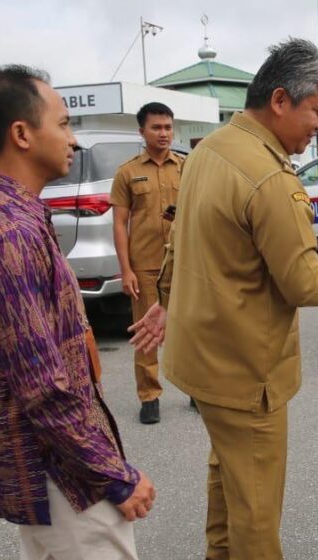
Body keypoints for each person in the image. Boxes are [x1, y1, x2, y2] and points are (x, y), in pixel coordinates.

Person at [130, 38, 318, 560]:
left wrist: (166, 301)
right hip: (245, 368)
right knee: (256, 504)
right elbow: (304, 283)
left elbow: (177, 243)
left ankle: (218, 559)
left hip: (205, 362)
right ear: (280, 100)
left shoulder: (210, 149)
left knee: (228, 472)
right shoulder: (269, 178)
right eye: (317, 112)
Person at [0, 65, 154, 560]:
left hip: (45, 468)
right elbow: (42, 386)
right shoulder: (10, 235)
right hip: (60, 475)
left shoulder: (15, 217)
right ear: (22, 134)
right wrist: (114, 475)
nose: (73, 139)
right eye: (63, 124)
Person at [110, 101, 183, 425]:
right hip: (147, 265)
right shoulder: (127, 172)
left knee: (190, 330)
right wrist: (126, 270)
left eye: (168, 127)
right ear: (142, 132)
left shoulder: (185, 167)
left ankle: (195, 387)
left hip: (183, 263)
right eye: (156, 127)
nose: (164, 133)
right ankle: (149, 396)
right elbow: (119, 223)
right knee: (147, 334)